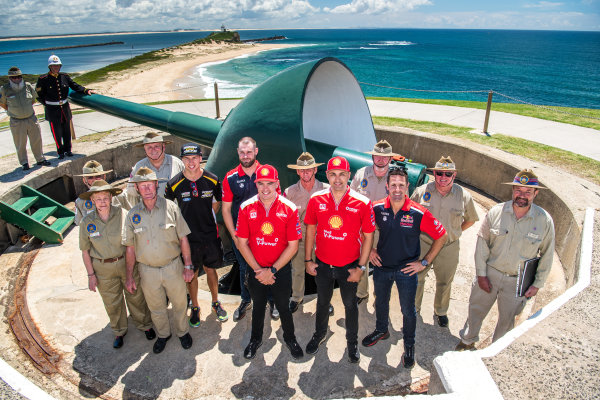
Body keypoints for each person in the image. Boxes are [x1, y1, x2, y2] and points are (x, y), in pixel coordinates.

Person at [456, 169, 555, 350]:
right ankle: (467, 341)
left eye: (527, 192)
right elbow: (482, 244)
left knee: (507, 320)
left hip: (518, 281)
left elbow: (547, 254)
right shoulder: (496, 212)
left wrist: (537, 284)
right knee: (476, 310)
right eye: (518, 190)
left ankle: (496, 352)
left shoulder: (544, 221)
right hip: (491, 273)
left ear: (535, 193)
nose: (522, 195)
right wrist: (481, 274)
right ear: (512, 190)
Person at [362, 168, 447, 368]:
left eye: (401, 185)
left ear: (408, 187)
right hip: (382, 267)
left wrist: (424, 262)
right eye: (393, 185)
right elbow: (363, 229)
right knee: (380, 303)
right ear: (387, 187)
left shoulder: (419, 212)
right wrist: (371, 251)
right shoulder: (376, 208)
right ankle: (382, 330)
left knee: (408, 311)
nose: (397, 189)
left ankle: (409, 345)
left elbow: (441, 235)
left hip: (406, 271)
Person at [304, 156, 375, 363]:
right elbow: (310, 230)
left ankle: (351, 343)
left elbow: (368, 236)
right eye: (333, 174)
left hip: (349, 266)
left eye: (342, 174)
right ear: (326, 175)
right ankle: (320, 334)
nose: (337, 179)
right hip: (324, 264)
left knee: (350, 305)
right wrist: (308, 260)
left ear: (348, 176)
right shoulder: (316, 199)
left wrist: (361, 268)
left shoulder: (362, 203)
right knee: (322, 302)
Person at [122, 167, 194, 354]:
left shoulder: (171, 207)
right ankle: (163, 334)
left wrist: (188, 265)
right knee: (156, 307)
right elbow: (130, 248)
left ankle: (182, 331)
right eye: (142, 186)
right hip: (148, 271)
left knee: (180, 303)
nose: (147, 189)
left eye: (150, 185)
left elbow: (183, 238)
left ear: (156, 185)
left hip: (173, 267)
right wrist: (129, 276)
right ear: (137, 188)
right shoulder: (132, 215)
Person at [235, 164, 304, 360]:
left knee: (283, 306)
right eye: (261, 183)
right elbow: (242, 243)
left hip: (280, 271)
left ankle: (290, 339)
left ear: (277, 184)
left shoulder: (289, 209)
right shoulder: (246, 207)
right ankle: (255, 340)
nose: (266, 188)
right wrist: (259, 271)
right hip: (256, 269)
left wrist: (272, 270)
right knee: (258, 307)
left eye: (270, 183)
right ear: (255, 184)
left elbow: (293, 246)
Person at [78, 180, 155, 349]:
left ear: (111, 197)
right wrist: (91, 275)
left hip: (125, 262)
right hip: (103, 268)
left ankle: (145, 324)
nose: (102, 202)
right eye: (98, 199)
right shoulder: (86, 222)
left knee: (135, 295)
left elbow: (134, 242)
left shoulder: (124, 214)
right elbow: (85, 251)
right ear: (92, 200)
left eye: (105, 198)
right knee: (112, 301)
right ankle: (119, 330)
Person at [410, 156, 479, 327]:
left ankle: (440, 311)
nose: (443, 177)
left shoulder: (464, 196)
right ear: (434, 173)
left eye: (448, 174)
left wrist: (455, 232)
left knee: (445, 280)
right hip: (424, 242)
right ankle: (414, 308)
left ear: (454, 175)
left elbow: (470, 219)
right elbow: (409, 214)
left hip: (449, 247)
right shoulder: (421, 191)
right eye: (439, 173)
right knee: (417, 277)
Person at [165, 143, 228, 326]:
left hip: (210, 235)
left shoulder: (213, 179)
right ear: (182, 160)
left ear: (201, 158)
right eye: (186, 159)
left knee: (211, 269)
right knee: (190, 273)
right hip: (188, 239)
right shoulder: (174, 183)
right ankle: (195, 306)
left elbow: (217, 203)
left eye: (194, 158)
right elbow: (170, 208)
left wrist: (207, 215)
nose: (191, 162)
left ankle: (216, 302)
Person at [222, 137, 279, 322]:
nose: (245, 156)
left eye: (249, 152)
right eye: (242, 152)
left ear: (256, 151)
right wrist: (235, 237)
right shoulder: (230, 177)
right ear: (238, 153)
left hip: (265, 235)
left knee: (268, 268)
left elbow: (278, 203)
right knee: (245, 269)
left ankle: (272, 300)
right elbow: (226, 209)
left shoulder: (267, 174)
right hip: (242, 237)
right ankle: (246, 300)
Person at [284, 152, 333, 314]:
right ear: (297, 172)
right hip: (300, 239)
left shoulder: (327, 190)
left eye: (309, 169)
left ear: (314, 170)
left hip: (322, 239)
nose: (306, 173)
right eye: (302, 170)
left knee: (324, 272)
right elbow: (286, 219)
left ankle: (325, 300)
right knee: (297, 270)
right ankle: (296, 297)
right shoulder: (290, 193)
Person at [350, 139, 398, 304]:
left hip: (385, 231)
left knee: (383, 266)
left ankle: (381, 296)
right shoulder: (361, 174)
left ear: (390, 159)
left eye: (385, 157)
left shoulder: (395, 179)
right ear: (372, 157)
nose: (381, 160)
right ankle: (362, 293)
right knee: (362, 261)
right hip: (363, 229)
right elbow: (351, 201)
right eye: (377, 156)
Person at [36, 55, 93, 159]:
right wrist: (48, 104)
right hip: (52, 110)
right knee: (57, 132)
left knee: (67, 131)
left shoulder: (64, 76)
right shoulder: (43, 79)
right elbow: (39, 95)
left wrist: (85, 90)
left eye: (57, 65)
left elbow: (74, 85)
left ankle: (68, 150)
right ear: (50, 67)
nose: (56, 68)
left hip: (64, 109)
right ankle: (60, 151)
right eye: (54, 66)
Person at [0, 67, 50, 171]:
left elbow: (33, 100)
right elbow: (3, 104)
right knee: (20, 143)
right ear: (10, 78)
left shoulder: (27, 86)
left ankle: (40, 159)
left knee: (36, 140)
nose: (17, 79)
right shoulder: (4, 89)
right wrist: (14, 111)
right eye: (14, 77)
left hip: (31, 118)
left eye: (19, 77)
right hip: (16, 121)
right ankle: (24, 162)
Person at [126, 132, 185, 206]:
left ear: (163, 147)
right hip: (149, 214)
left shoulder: (177, 164)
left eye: (156, 146)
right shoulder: (138, 167)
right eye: (149, 147)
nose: (153, 150)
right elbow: (131, 193)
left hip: (173, 213)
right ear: (145, 149)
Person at [74, 160, 130, 225]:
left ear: (104, 177)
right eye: (90, 177)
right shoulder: (81, 202)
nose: (94, 180)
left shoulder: (118, 196)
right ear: (84, 180)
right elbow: (80, 225)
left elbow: (130, 216)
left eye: (98, 176)